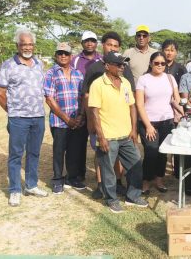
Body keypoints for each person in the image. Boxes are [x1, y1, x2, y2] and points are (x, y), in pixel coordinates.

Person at [88, 52, 147, 213]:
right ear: (107, 66)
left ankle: (133, 196)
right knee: (108, 171)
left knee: (135, 165)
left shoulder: (126, 83)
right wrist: (101, 136)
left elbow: (132, 106)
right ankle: (111, 199)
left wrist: (134, 129)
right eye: (118, 64)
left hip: (126, 135)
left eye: (123, 64)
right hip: (108, 136)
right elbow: (94, 112)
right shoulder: (98, 85)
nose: (122, 67)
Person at [0, 28, 48, 206]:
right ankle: (15, 190)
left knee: (34, 152)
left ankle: (31, 185)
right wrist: (12, 111)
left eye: (30, 44)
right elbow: (0, 92)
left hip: (38, 117)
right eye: (24, 44)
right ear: (17, 45)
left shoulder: (39, 64)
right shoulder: (8, 65)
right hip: (18, 118)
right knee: (16, 154)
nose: (27, 47)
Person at [82, 31, 135, 199]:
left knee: (118, 155)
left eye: (115, 45)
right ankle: (100, 184)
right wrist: (90, 123)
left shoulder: (124, 70)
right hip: (101, 123)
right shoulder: (94, 69)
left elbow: (130, 97)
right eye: (109, 45)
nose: (112, 47)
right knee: (102, 156)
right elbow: (87, 96)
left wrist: (133, 127)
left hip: (121, 126)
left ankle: (118, 183)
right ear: (103, 45)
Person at [44, 42, 86, 194]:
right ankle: (57, 179)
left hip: (77, 120)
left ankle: (72, 178)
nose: (63, 56)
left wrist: (80, 115)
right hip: (59, 121)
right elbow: (49, 99)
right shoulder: (51, 73)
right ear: (56, 55)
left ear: (71, 56)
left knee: (74, 150)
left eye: (66, 53)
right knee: (59, 151)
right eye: (60, 53)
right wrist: (66, 119)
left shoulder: (77, 74)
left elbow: (83, 97)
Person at [136, 52, 180, 194]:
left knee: (162, 153)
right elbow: (140, 104)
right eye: (157, 63)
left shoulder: (170, 78)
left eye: (163, 63)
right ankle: (146, 181)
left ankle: (159, 179)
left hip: (167, 121)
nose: (160, 65)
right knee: (151, 151)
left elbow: (176, 98)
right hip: (148, 122)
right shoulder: (143, 79)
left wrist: (182, 105)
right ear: (151, 63)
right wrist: (148, 126)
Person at [71, 30, 103, 182]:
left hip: (97, 105)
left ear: (96, 43)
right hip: (80, 105)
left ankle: (102, 176)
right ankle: (79, 173)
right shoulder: (75, 60)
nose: (90, 43)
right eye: (87, 41)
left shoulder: (102, 60)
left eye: (93, 41)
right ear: (82, 43)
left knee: (98, 142)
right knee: (79, 141)